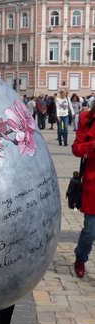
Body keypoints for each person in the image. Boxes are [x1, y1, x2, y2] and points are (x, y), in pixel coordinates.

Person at [72, 102, 95, 278]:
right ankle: (80, 257)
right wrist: (91, 147)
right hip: (92, 184)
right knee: (90, 231)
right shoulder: (86, 118)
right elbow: (76, 148)